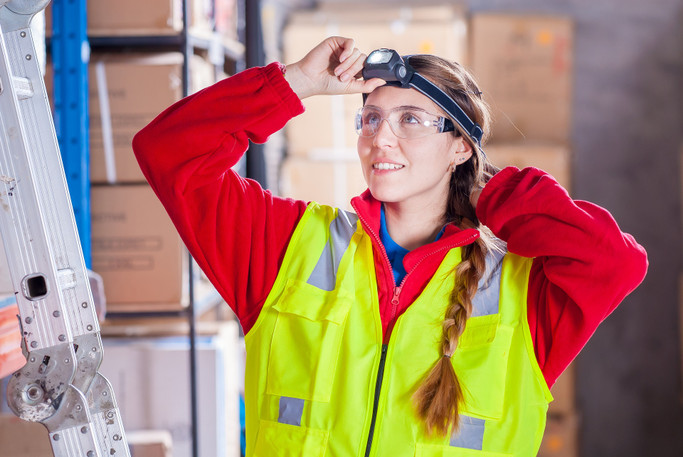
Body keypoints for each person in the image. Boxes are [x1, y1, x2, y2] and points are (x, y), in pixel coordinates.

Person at [132, 36, 648, 457]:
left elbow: (616, 264)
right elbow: (168, 152)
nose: (380, 138)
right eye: (371, 118)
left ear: (460, 147)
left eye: (410, 120)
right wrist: (297, 83)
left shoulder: (524, 296)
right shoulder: (288, 247)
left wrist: (494, 193)